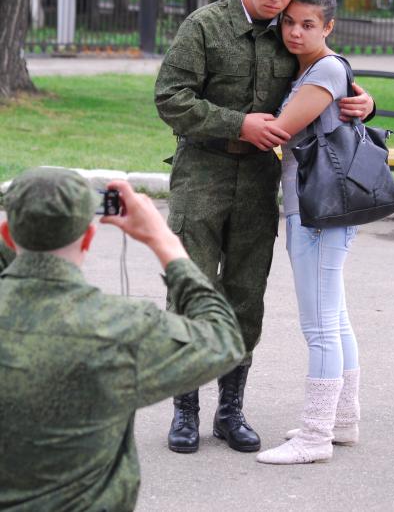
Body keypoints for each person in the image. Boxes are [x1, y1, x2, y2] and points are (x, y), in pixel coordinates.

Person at [154, 0, 374, 454]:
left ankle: (231, 410)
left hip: (257, 182)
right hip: (201, 176)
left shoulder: (290, 35)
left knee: (245, 297)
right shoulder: (204, 26)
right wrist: (237, 124)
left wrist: (364, 100)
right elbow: (169, 98)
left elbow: (326, 75)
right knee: (192, 289)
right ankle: (186, 409)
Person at [0, 167, 245, 511]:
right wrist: (164, 241)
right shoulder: (121, 328)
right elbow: (224, 339)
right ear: (88, 238)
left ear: (7, 235)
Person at [256, 0, 361, 465]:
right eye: (290, 22)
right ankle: (342, 421)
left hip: (317, 212)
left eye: (309, 25)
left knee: (319, 326)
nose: (295, 32)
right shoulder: (320, 68)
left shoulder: (323, 71)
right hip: (323, 209)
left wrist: (222, 123)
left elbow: (280, 130)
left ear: (329, 26)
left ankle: (316, 437)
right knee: (334, 319)